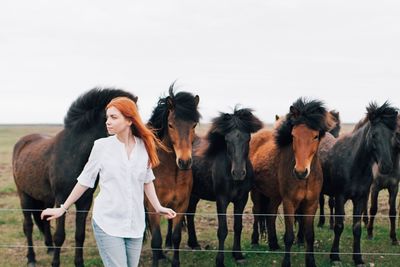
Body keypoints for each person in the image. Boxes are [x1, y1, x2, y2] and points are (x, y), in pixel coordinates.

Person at [41, 96, 176, 267]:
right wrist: (63, 208)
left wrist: (158, 207)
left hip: (135, 224)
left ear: (129, 120)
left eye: (113, 117)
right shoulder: (101, 147)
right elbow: (85, 180)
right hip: (108, 223)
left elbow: (147, 179)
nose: (108, 122)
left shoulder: (144, 147)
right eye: (107, 117)